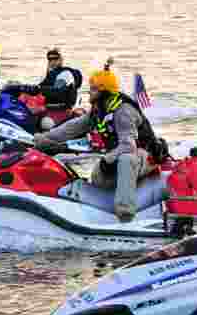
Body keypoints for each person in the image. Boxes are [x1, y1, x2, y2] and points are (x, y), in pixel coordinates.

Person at [33, 63, 164, 221]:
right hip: (118, 155)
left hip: (143, 156)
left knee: (126, 159)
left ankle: (125, 213)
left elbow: (129, 146)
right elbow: (72, 127)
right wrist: (43, 139)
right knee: (98, 178)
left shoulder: (123, 111)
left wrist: (108, 159)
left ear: (104, 92)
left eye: (94, 89)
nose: (90, 91)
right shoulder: (99, 109)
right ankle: (97, 213)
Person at [14, 48, 82, 129]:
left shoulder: (65, 74)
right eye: (50, 59)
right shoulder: (50, 75)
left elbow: (57, 90)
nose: (52, 61)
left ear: (61, 59)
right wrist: (21, 88)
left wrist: (39, 89)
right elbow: (38, 88)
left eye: (55, 58)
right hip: (49, 108)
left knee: (45, 123)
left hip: (61, 111)